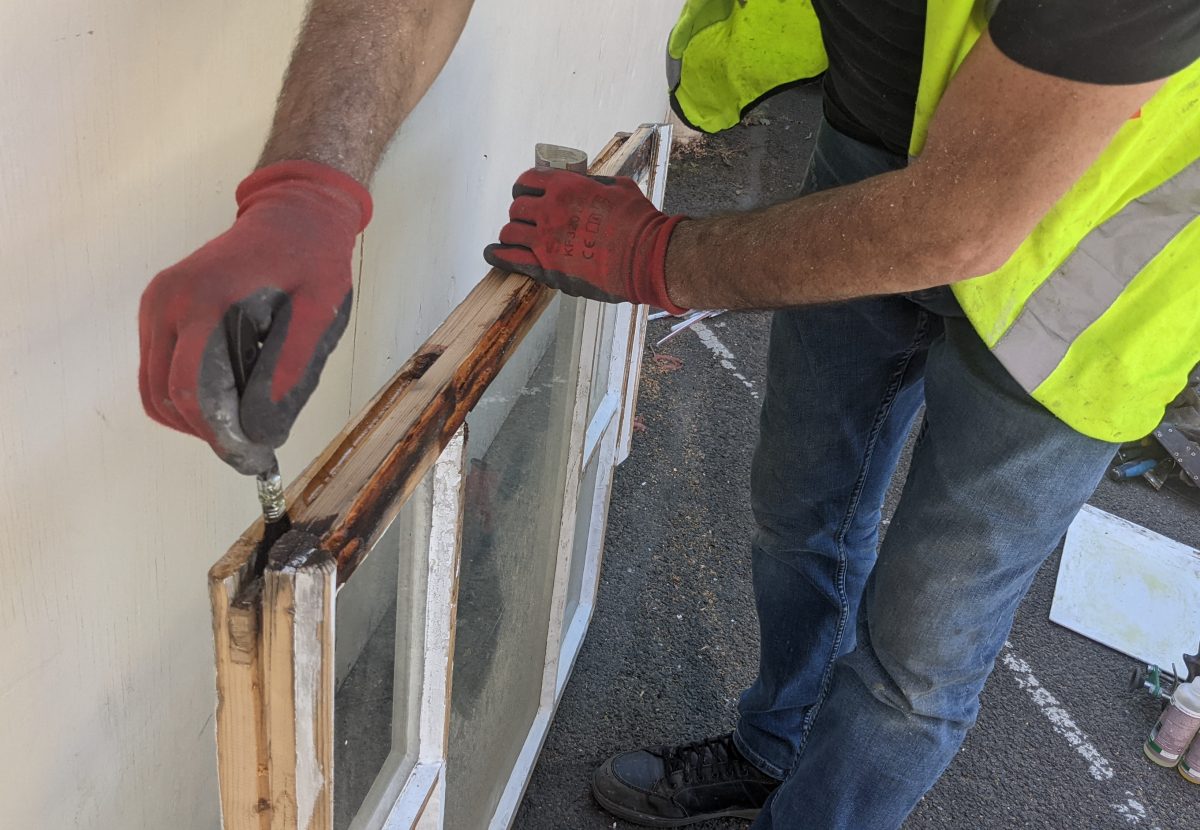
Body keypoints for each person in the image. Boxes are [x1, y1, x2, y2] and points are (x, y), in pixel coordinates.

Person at [138, 1, 1200, 829]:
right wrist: (307, 187)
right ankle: (774, 741)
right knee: (799, 511)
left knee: (921, 651)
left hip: (1101, 269)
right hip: (884, 141)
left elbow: (969, 218)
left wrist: (662, 257)